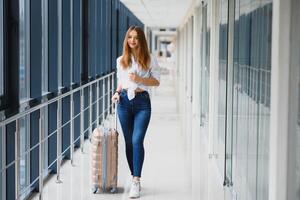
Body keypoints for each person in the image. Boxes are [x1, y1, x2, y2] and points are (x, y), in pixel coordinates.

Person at [111, 26, 160, 198]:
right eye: (130, 37)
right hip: (124, 102)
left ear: (141, 40)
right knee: (129, 143)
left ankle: (136, 181)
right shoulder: (121, 60)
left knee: (137, 140)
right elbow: (121, 81)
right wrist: (116, 93)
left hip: (142, 103)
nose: (132, 40)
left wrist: (139, 79)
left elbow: (156, 82)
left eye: (136, 37)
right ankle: (134, 176)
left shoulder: (149, 59)